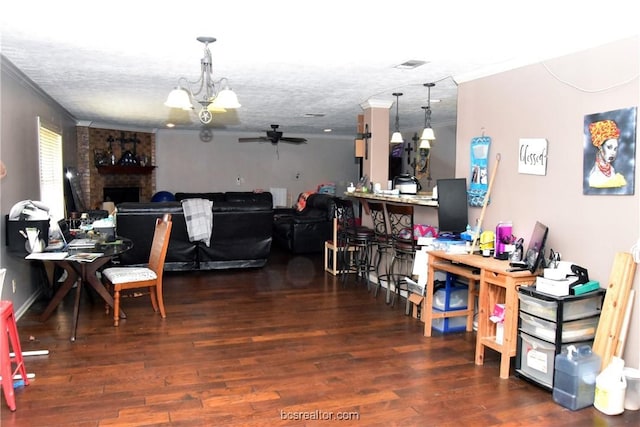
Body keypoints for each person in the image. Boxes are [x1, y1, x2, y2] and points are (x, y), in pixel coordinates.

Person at [588, 119, 627, 188]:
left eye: (615, 149)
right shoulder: (594, 175)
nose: (613, 153)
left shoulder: (612, 170)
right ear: (600, 147)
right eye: (609, 147)